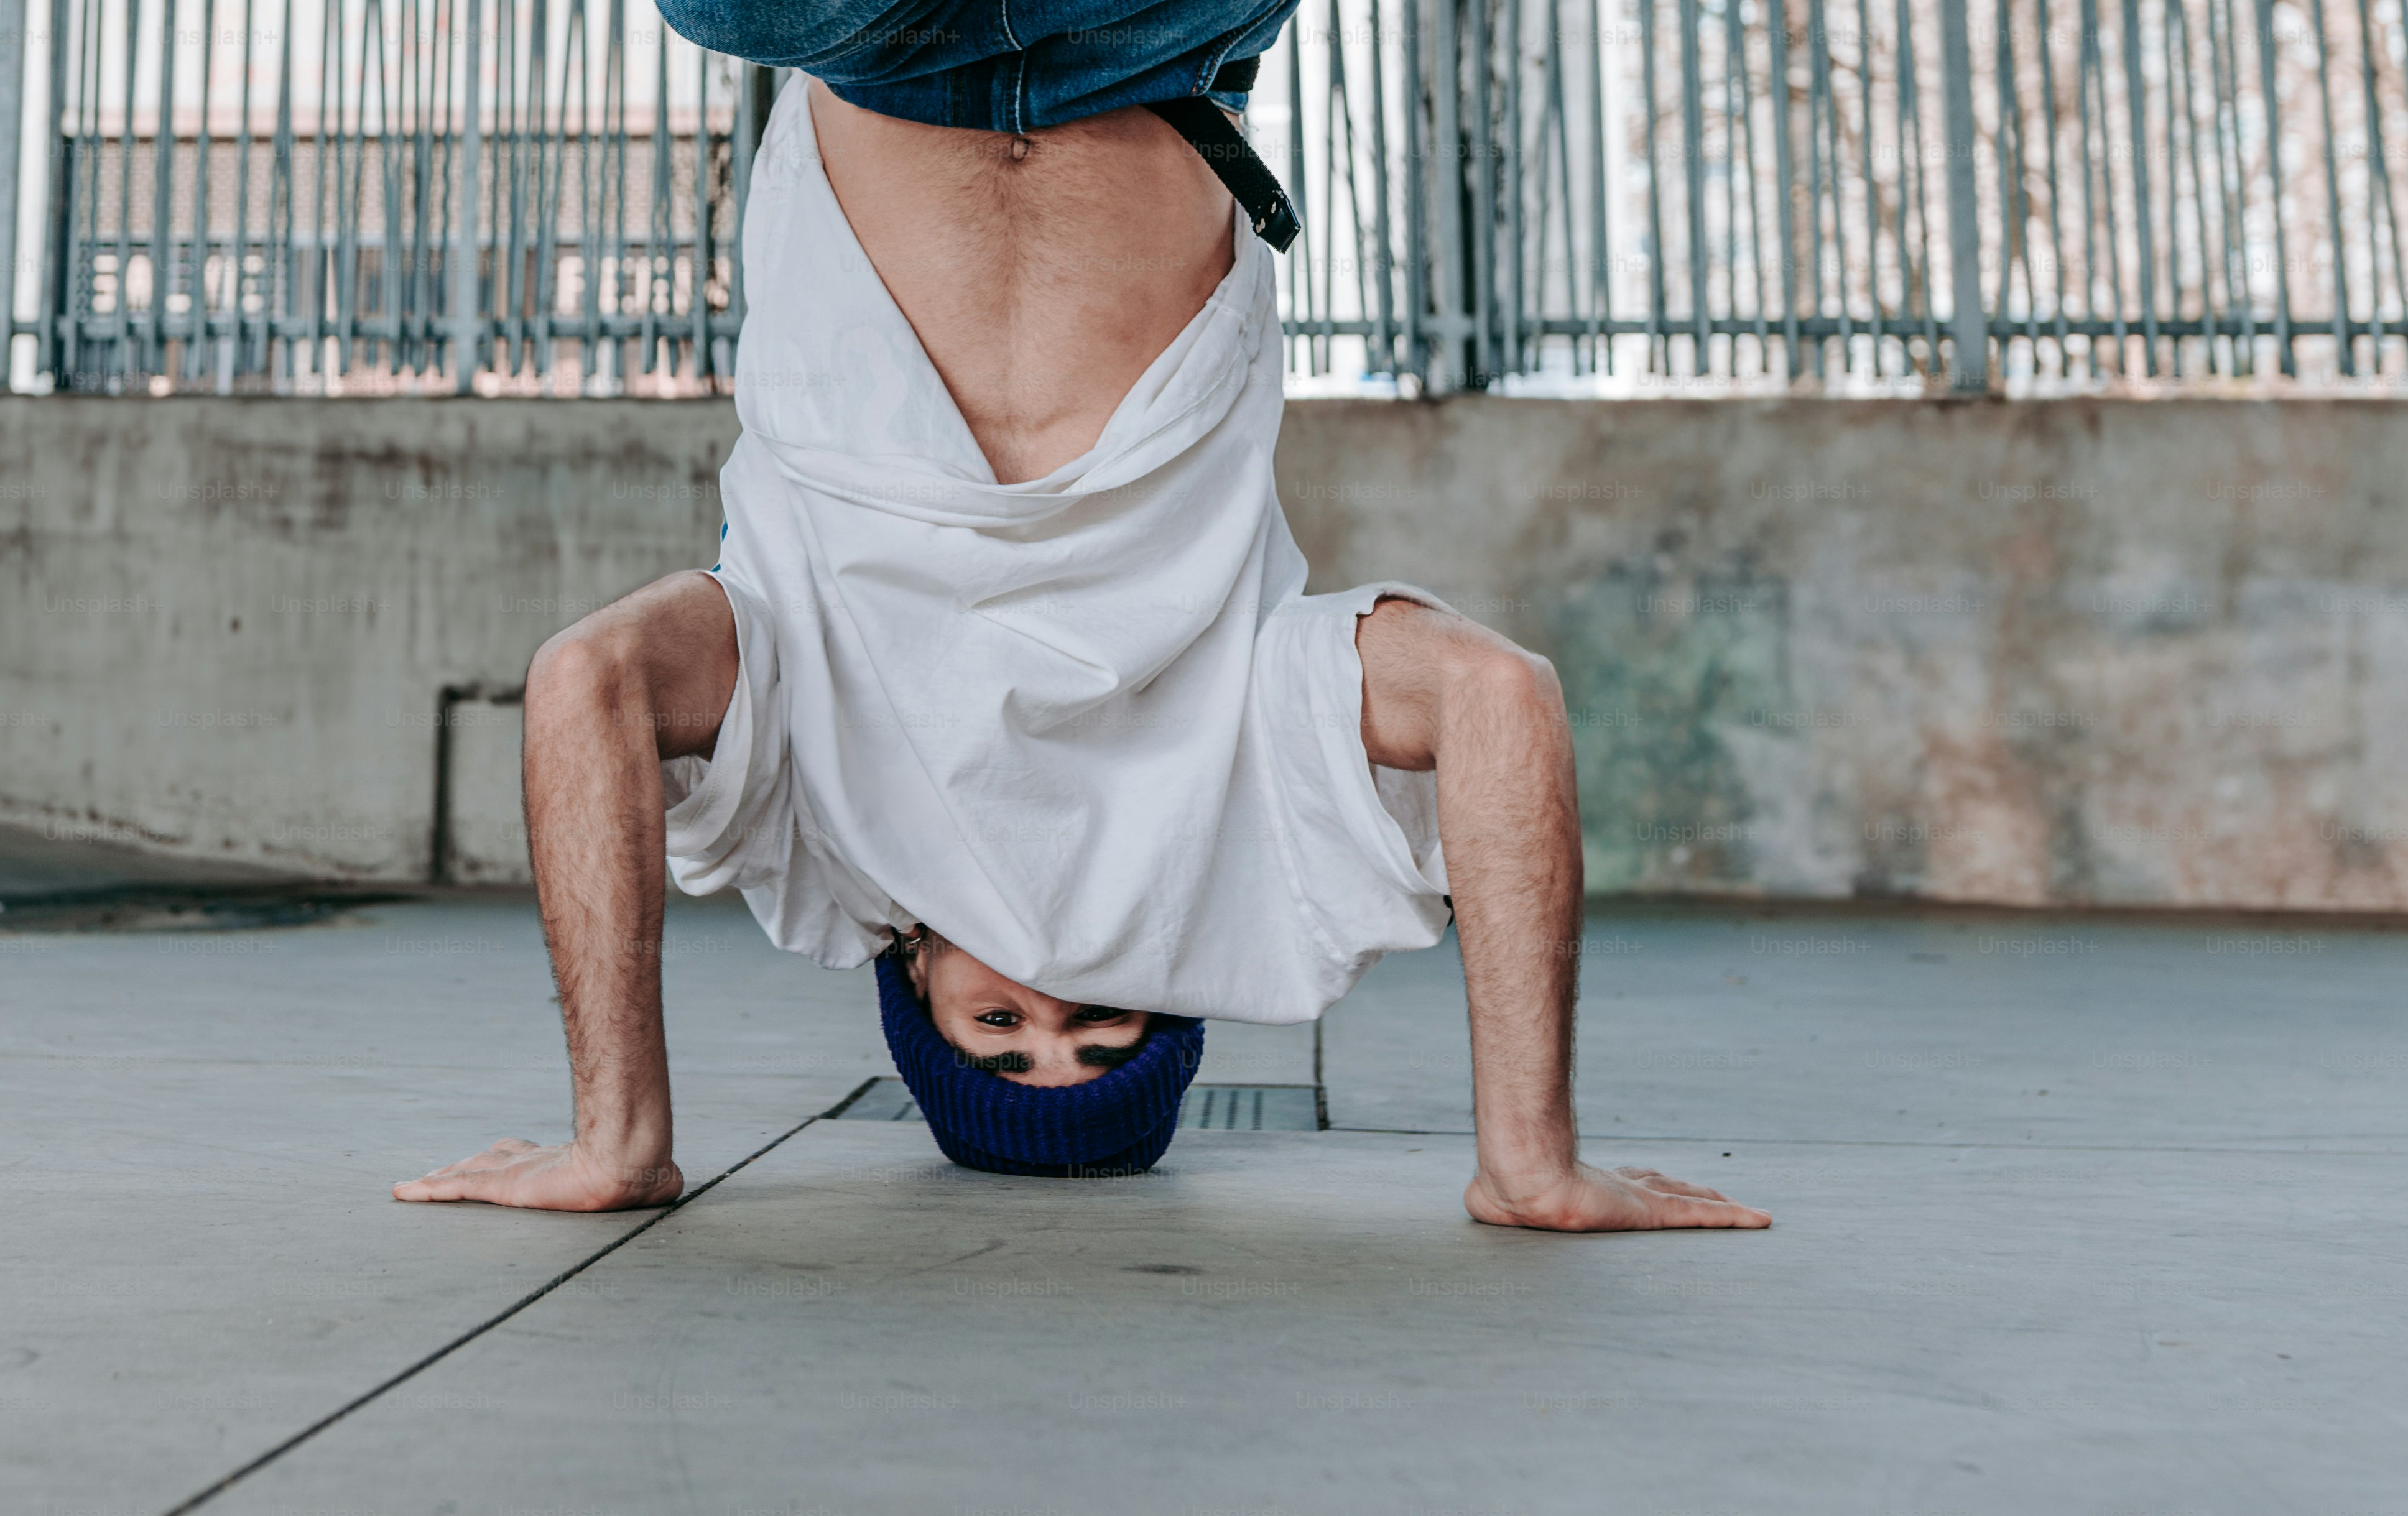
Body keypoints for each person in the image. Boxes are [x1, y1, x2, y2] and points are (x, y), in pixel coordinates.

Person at [395, 2, 1766, 1231]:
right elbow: (1494, 698)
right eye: (1098, 1026)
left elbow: (588, 680)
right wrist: (1527, 1158)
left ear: (917, 981)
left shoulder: (814, 821)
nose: (1047, 998)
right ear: (1171, 992)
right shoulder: (1247, 812)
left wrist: (619, 1137)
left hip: (873, 41)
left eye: (999, 1028)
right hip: (1144, 41)